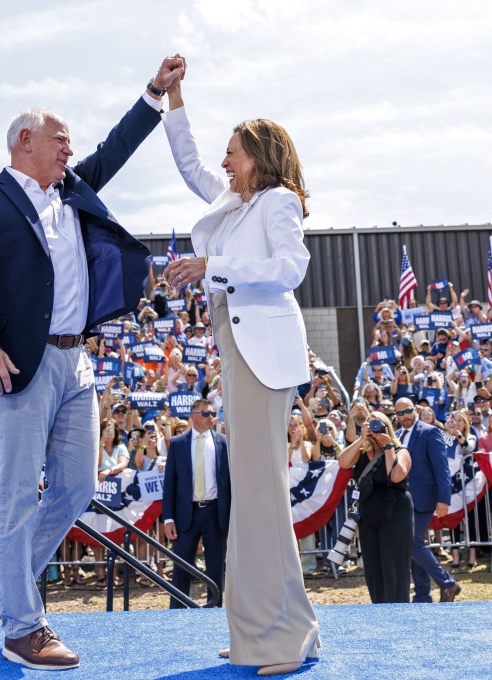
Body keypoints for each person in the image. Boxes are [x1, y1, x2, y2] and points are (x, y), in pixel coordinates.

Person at [0, 55, 185, 671]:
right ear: (25, 141)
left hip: (78, 364)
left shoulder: (72, 191)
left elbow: (117, 148)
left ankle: (5, 592)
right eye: (59, 140)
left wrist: (155, 93)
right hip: (18, 366)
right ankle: (24, 627)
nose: (69, 151)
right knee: (19, 494)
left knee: (76, 487)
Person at [161, 67, 320, 675]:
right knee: (253, 495)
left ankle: (276, 636)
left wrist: (215, 267)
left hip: (262, 354)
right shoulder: (234, 202)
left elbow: (289, 269)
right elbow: (189, 163)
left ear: (256, 156)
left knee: (257, 495)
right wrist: (174, 99)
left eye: (233, 153)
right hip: (238, 348)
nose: (224, 164)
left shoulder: (279, 202)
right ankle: (273, 629)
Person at [337, 413, 413, 602]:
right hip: (368, 512)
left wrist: (387, 446)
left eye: (376, 424)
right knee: (372, 563)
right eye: (368, 424)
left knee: (393, 563)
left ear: (386, 426)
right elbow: (343, 462)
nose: (372, 428)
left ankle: (397, 607)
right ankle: (378, 607)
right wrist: (361, 439)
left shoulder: (400, 450)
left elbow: (394, 476)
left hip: (395, 511)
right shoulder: (362, 450)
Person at [162, 399, 229, 609]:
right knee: (181, 567)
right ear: (193, 416)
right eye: (206, 413)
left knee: (216, 567)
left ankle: (215, 610)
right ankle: (177, 613)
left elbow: (229, 482)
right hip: (186, 513)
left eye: (212, 413)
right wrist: (168, 518)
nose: (211, 417)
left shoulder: (223, 442)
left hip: (215, 512)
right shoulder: (178, 443)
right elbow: (170, 483)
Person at [393, 397, 460, 603]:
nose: (404, 416)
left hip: (423, 497)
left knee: (412, 544)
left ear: (416, 410)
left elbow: (442, 467)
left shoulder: (430, 432)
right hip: (401, 499)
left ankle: (448, 583)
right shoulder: (395, 435)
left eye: (408, 411)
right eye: (400, 413)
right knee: (412, 545)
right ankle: (422, 594)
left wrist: (444, 499)